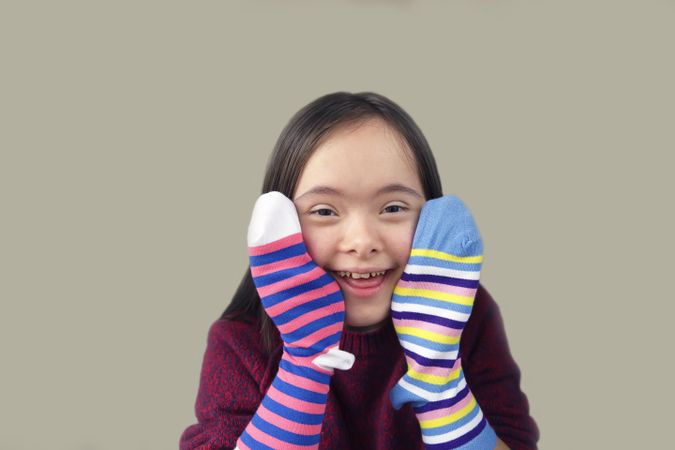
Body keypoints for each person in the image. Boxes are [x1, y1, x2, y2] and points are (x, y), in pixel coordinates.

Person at [179, 92, 540, 449]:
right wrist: (304, 365)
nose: (362, 241)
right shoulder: (240, 343)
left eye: (393, 207)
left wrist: (441, 382)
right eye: (324, 211)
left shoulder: (467, 318)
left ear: (433, 218)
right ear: (281, 224)